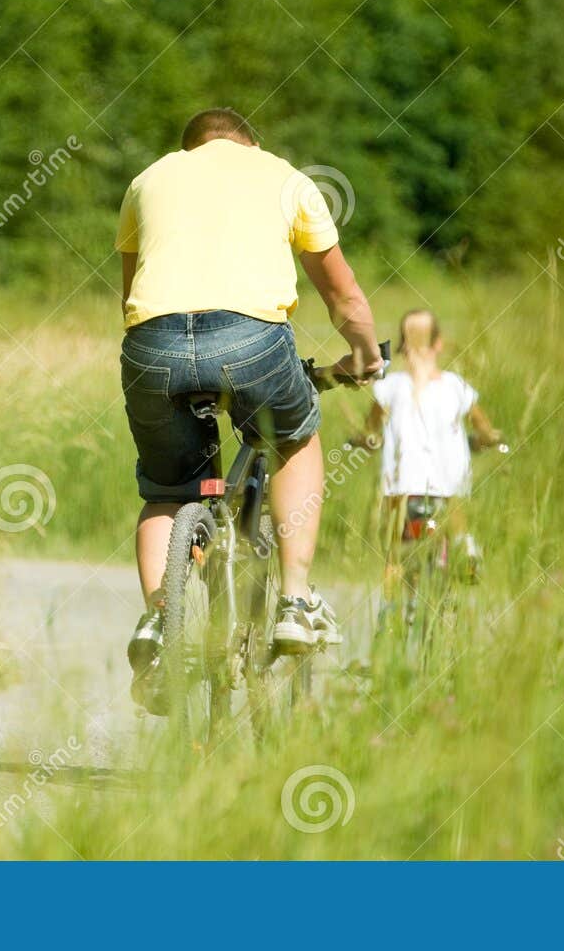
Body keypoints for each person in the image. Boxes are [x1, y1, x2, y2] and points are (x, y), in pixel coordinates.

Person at [116, 107, 382, 710]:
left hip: (151, 345)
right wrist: (364, 356)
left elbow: (132, 293)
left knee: (168, 488)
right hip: (251, 341)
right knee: (294, 439)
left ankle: (159, 625)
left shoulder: (148, 179)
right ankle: (294, 602)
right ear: (250, 143)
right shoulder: (286, 177)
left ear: (191, 148)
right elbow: (342, 295)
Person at [355, 308, 502, 591]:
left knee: (394, 553)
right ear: (439, 344)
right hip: (446, 488)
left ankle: (389, 612)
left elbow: (371, 430)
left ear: (401, 345)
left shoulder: (390, 386)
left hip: (401, 489)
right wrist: (489, 438)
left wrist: (365, 439)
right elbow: (484, 428)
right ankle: (464, 548)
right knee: (454, 504)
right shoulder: (456, 387)